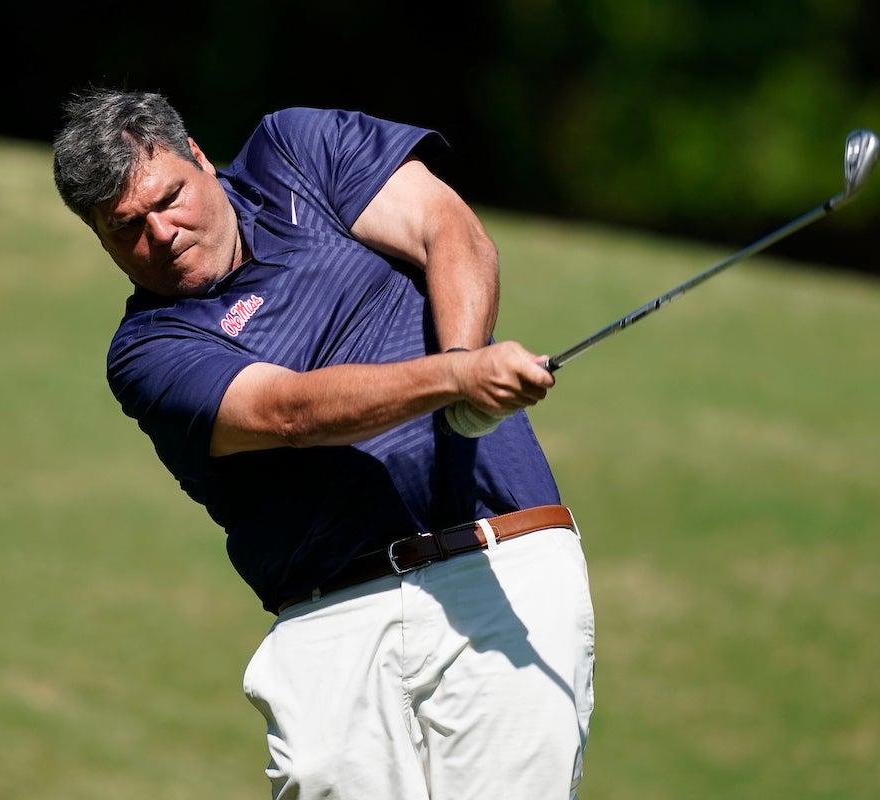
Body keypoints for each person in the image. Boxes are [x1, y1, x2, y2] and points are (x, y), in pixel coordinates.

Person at [52, 88, 595, 799]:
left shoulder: (298, 153)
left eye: (169, 199)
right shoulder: (147, 351)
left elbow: (446, 229)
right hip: (329, 617)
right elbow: (286, 412)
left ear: (199, 158)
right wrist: (457, 375)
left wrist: (464, 380)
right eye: (126, 228)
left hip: (498, 559)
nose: (161, 233)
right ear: (101, 239)